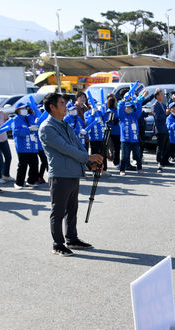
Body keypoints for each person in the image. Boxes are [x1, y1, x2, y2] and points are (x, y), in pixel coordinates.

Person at [38, 93, 103, 256]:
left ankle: (72, 238)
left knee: (72, 209)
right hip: (60, 175)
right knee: (58, 211)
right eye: (62, 103)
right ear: (52, 107)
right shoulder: (47, 128)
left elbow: (78, 146)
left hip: (73, 173)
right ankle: (57, 244)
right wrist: (87, 157)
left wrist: (89, 163)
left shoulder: (65, 125)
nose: (65, 106)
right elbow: (65, 148)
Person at [10, 102, 41, 188]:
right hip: (22, 147)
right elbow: (16, 132)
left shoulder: (29, 118)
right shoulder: (15, 119)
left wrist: (34, 128)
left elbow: (38, 117)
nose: (25, 110)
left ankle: (31, 181)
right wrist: (29, 129)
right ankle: (18, 183)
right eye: (22, 108)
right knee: (23, 166)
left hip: (32, 146)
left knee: (34, 164)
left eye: (25, 108)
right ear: (18, 110)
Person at [117, 89, 146, 175]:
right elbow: (119, 108)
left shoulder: (134, 116)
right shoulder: (122, 116)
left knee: (137, 155)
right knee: (124, 156)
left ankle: (139, 168)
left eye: (131, 107)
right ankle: (122, 170)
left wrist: (137, 102)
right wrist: (123, 100)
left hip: (134, 139)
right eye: (127, 107)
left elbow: (139, 109)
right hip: (125, 140)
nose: (129, 108)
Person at [152, 88, 170, 172]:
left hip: (165, 128)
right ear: (157, 96)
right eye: (161, 94)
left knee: (166, 146)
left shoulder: (163, 104)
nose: (163, 96)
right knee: (160, 146)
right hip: (160, 128)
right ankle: (159, 162)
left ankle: (164, 161)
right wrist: (165, 113)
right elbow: (157, 117)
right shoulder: (155, 105)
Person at [105, 94, 121, 169]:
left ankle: (115, 161)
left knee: (114, 148)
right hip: (115, 132)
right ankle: (116, 162)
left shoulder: (108, 111)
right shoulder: (112, 112)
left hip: (112, 131)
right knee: (116, 148)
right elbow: (112, 121)